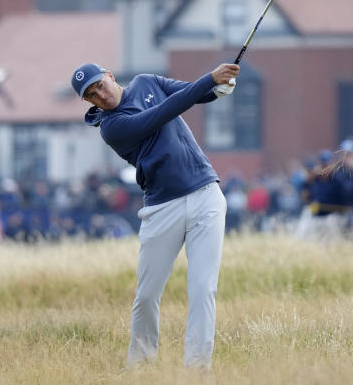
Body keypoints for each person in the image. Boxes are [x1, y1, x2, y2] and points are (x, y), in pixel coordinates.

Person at [73, 61, 238, 369]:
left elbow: (192, 94)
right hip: (162, 207)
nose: (101, 95)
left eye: (100, 85)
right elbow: (162, 114)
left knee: (203, 288)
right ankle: (141, 366)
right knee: (147, 295)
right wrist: (209, 78)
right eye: (91, 95)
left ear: (109, 75)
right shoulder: (111, 128)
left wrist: (220, 87)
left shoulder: (147, 81)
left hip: (206, 194)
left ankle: (197, 370)